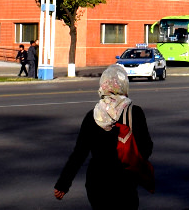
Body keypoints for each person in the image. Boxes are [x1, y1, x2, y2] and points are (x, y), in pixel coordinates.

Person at [54, 65, 153, 209]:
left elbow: (79, 154)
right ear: (124, 85)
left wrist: (63, 184)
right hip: (124, 182)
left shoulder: (92, 115)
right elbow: (146, 147)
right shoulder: (134, 113)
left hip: (97, 182)